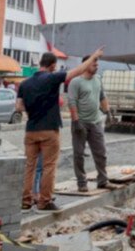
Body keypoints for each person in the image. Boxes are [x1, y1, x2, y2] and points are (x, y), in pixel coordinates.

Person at [16, 49, 104, 211]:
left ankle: (25, 201)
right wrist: (93, 56)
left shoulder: (24, 83)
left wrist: (33, 110)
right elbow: (76, 71)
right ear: (52, 65)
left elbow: (19, 107)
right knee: (49, 166)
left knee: (29, 166)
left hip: (30, 131)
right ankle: (44, 201)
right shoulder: (51, 78)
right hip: (49, 129)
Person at [68, 56, 115, 193]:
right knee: (79, 154)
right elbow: (72, 102)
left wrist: (108, 112)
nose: (97, 65)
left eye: (97, 63)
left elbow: (102, 96)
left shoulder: (98, 79)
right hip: (80, 123)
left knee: (101, 153)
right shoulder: (76, 82)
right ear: (85, 65)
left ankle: (103, 181)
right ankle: (82, 183)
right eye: (94, 63)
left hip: (96, 122)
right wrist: (76, 121)